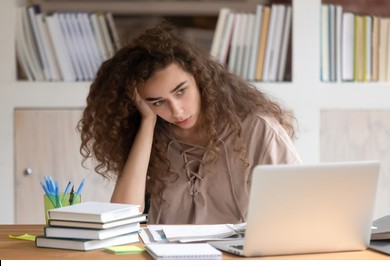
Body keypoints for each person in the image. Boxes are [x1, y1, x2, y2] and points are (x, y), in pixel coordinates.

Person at [77, 21, 301, 225]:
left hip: (232, 262)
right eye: (157, 102)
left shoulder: (258, 129)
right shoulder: (155, 132)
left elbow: (300, 210)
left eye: (181, 91)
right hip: (164, 262)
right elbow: (121, 219)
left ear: (200, 79)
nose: (176, 110)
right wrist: (147, 122)